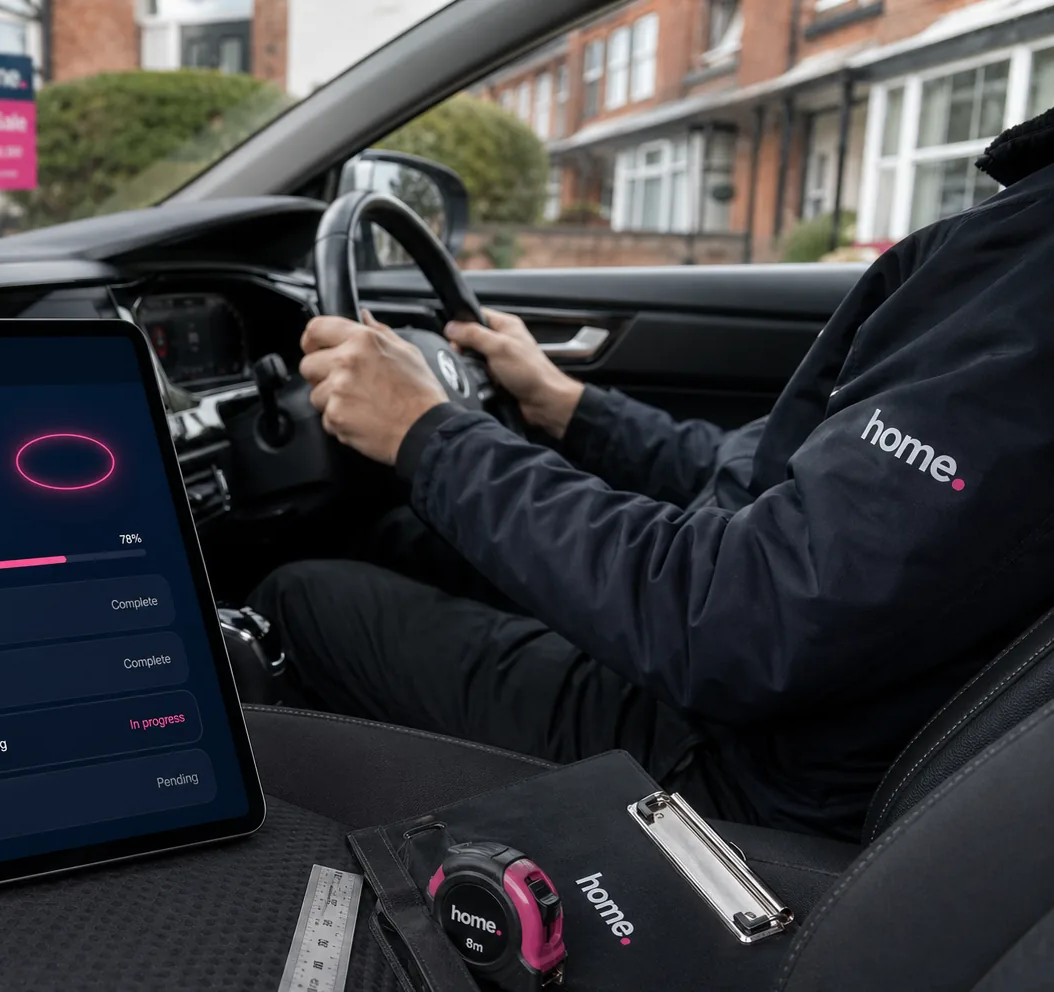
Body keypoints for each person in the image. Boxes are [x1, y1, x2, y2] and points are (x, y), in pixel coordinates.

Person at [248, 108, 1054, 841]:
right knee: (397, 534)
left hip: (736, 772)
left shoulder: (1033, 268)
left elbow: (747, 616)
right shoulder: (1023, 235)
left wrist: (428, 431)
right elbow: (771, 478)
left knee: (302, 595)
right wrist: (571, 406)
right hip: (762, 695)